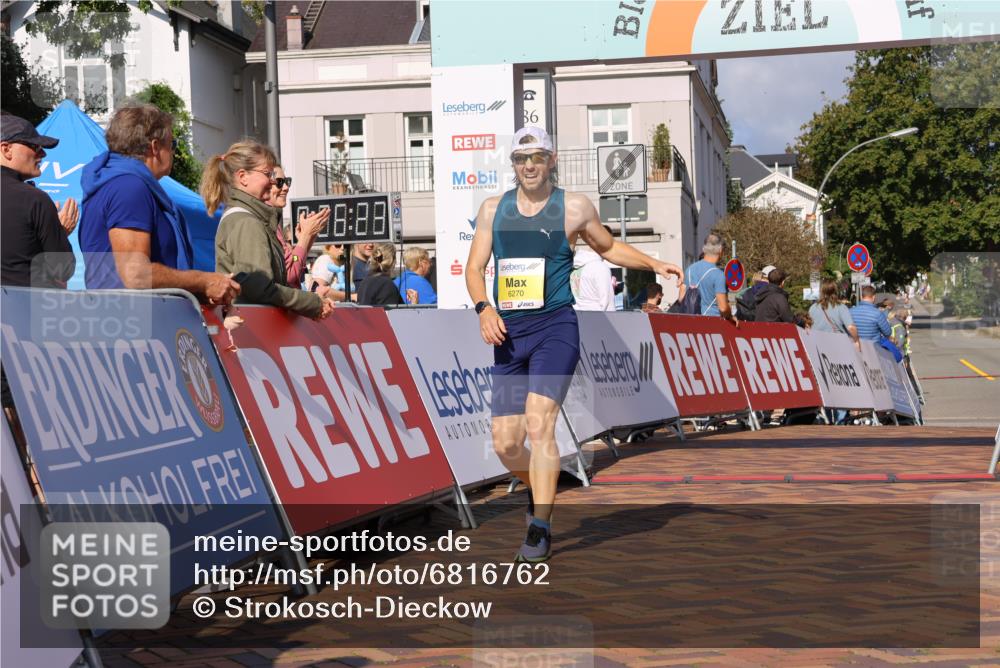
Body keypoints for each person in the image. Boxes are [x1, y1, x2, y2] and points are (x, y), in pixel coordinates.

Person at [465, 126, 683, 563]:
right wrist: (484, 308)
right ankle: (541, 490)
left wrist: (653, 263)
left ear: (552, 160)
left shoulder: (574, 207)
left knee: (539, 422)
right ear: (513, 164)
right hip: (509, 336)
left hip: (555, 330)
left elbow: (609, 247)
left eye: (537, 157)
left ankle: (540, 527)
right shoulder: (493, 209)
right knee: (506, 444)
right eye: (521, 159)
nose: (529, 166)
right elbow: (474, 269)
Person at [79, 105, 239, 305]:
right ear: (155, 147)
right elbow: (136, 274)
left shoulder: (115, 183)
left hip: (126, 314)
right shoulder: (129, 187)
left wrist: (200, 291)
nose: (173, 151)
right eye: (172, 144)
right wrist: (202, 280)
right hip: (132, 317)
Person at [205, 140, 331, 319]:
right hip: (253, 326)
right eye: (268, 174)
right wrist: (312, 302)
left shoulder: (252, 219)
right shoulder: (247, 223)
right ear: (243, 177)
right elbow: (261, 287)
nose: (273, 182)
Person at [1, 113, 76, 288]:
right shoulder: (34, 200)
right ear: (6, 149)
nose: (42, 153)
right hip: (22, 303)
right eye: (34, 146)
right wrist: (59, 233)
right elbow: (63, 270)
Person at [268, 165, 328, 286]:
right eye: (279, 182)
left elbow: (295, 260)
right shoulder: (267, 223)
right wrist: (306, 236)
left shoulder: (274, 221)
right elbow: (289, 274)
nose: (286, 187)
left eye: (287, 181)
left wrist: (307, 239)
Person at [685, 234, 736, 323]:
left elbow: (681, 297)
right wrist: (731, 316)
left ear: (704, 249)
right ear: (721, 250)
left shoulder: (689, 269)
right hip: (712, 323)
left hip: (691, 321)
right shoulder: (718, 275)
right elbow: (723, 308)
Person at [570, 224, 616, 311]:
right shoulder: (600, 268)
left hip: (576, 316)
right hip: (596, 317)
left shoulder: (575, 265)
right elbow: (608, 304)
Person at [809, 279, 861, 348]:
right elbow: (851, 328)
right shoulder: (841, 307)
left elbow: (809, 327)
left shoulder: (813, 308)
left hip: (818, 345)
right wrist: (857, 340)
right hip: (837, 345)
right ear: (836, 291)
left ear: (821, 291)